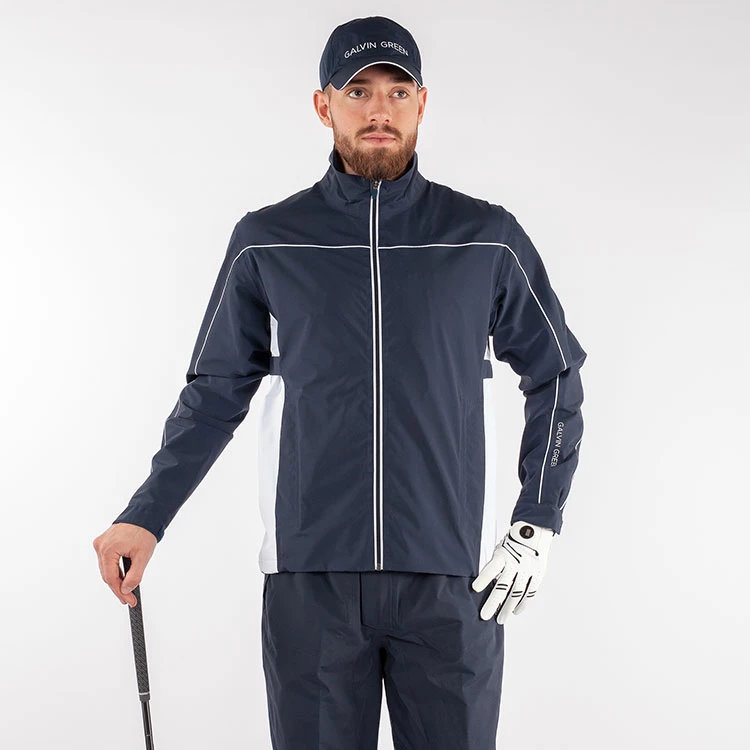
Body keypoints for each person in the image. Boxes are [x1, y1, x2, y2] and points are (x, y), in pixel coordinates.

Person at [93, 15, 587, 749]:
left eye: (397, 91)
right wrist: (146, 514)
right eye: (358, 91)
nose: (379, 109)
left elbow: (556, 374)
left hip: (451, 581)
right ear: (323, 105)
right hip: (311, 583)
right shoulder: (267, 240)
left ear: (423, 104)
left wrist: (535, 520)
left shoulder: (486, 237)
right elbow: (214, 393)